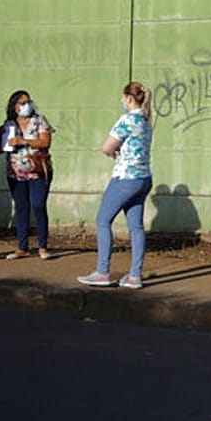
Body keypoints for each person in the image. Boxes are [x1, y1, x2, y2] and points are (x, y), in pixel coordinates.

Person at [79, 82, 154, 289]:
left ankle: (103, 272)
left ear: (129, 98)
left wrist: (113, 151)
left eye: (123, 97)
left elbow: (107, 147)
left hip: (125, 178)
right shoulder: (146, 120)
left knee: (103, 221)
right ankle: (134, 276)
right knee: (136, 227)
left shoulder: (127, 119)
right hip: (144, 177)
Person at [0, 89, 54, 261]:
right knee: (21, 208)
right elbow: (0, 147)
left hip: (37, 171)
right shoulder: (9, 124)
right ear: (15, 107)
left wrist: (24, 141)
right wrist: (0, 141)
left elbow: (45, 142)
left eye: (28, 102)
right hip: (15, 172)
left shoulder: (39, 120)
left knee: (38, 205)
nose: (27, 105)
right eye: (23, 103)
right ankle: (22, 246)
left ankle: (43, 246)